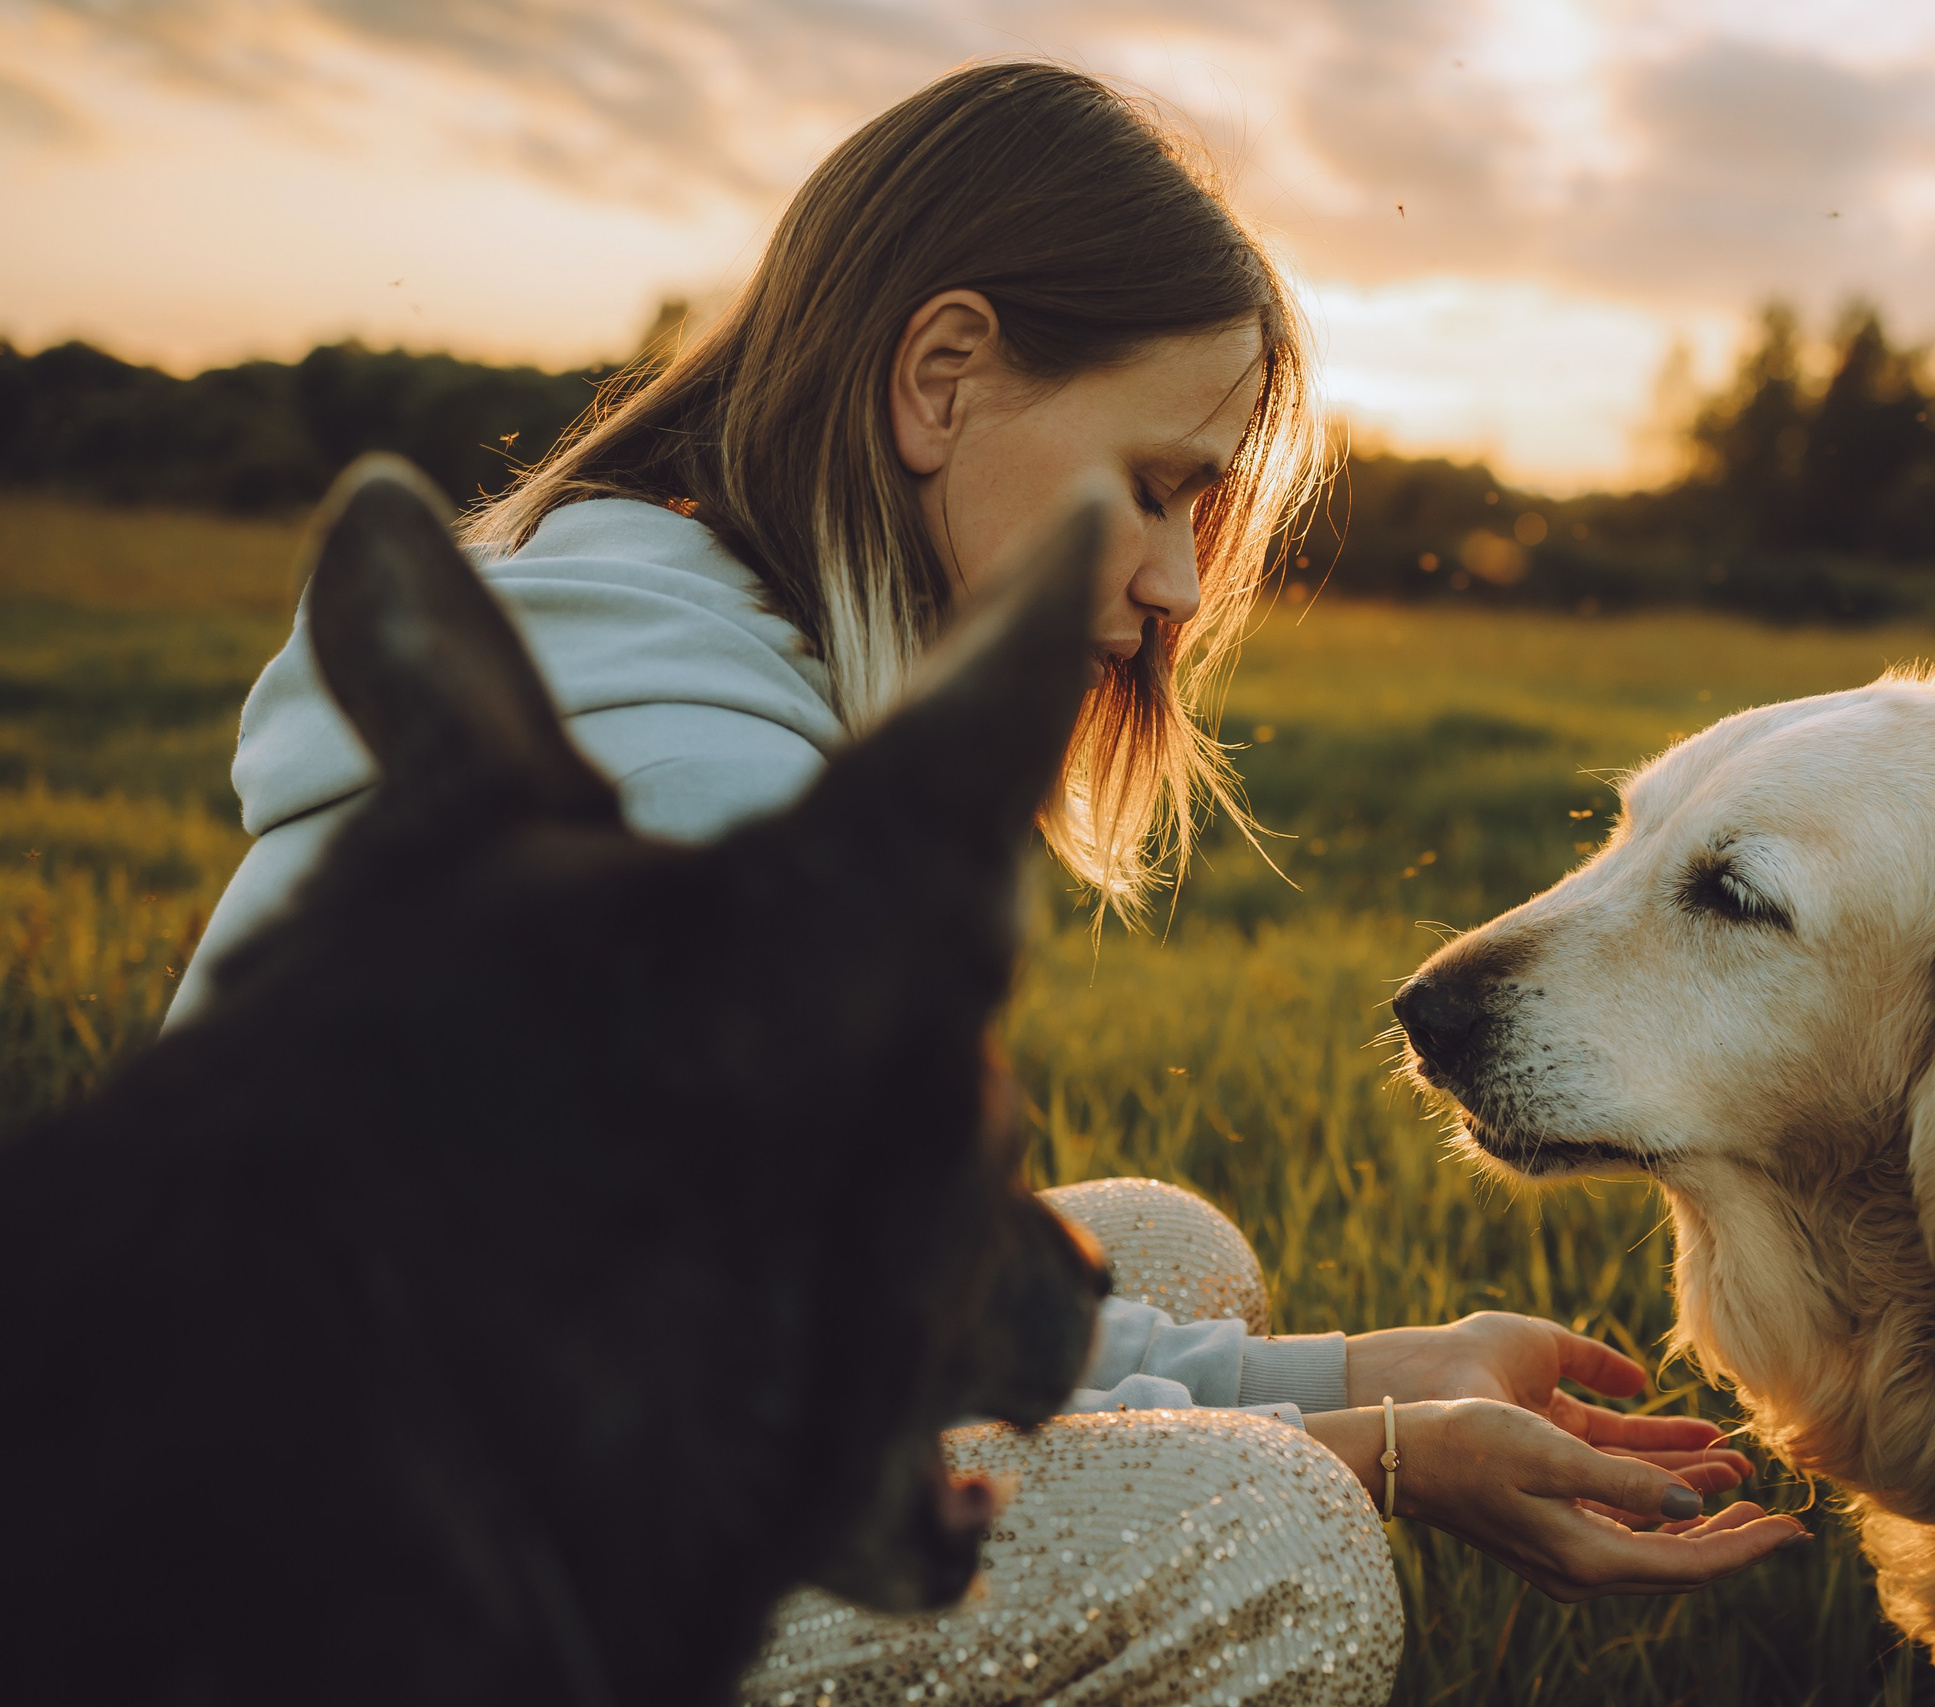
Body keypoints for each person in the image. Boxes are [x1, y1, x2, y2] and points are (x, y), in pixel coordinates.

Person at [168, 60, 1810, 1704]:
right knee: (1267, 1537)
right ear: (941, 379)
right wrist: (1380, 1454)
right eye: (1154, 488)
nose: (1178, 584)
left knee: (1161, 1249)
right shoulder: (690, 795)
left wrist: (1372, 1371)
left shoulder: (648, 623)